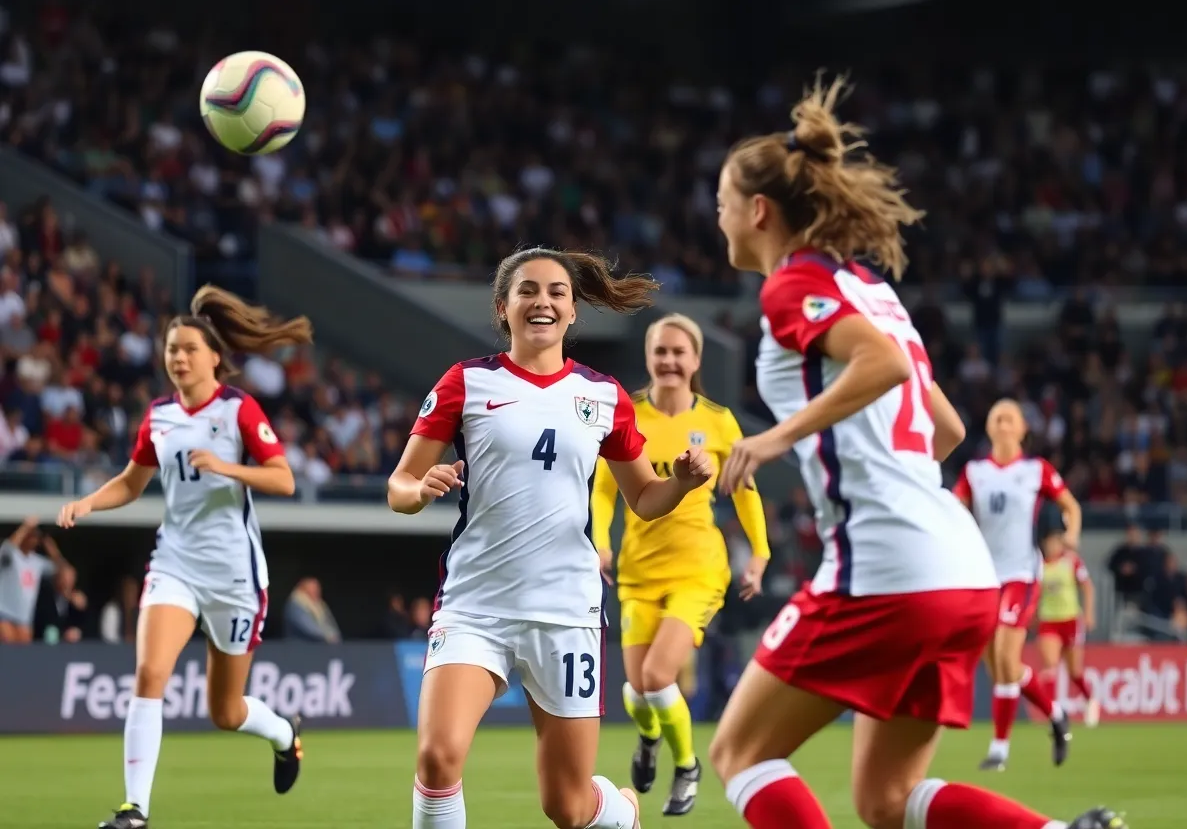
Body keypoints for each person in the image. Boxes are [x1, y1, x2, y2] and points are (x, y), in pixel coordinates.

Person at [706, 76, 1123, 829]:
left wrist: (778, 437)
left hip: (885, 571)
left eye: (723, 203)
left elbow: (883, 368)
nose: (720, 217)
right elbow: (947, 430)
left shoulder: (791, 285)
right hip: (959, 570)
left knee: (739, 754)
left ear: (758, 211)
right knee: (886, 802)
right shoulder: (870, 287)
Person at [388, 247, 713, 829]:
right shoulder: (467, 381)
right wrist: (419, 489)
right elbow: (399, 484)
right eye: (528, 290)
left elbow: (644, 499)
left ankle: (620, 811)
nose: (543, 301)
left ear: (571, 312)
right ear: (503, 307)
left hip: (566, 611)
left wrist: (683, 484)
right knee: (438, 760)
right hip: (475, 606)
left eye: (557, 292)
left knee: (566, 807)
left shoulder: (603, 395)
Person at [56, 286, 313, 829]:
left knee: (226, 712)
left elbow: (285, 479)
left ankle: (285, 736)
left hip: (234, 577)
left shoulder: (238, 409)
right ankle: (135, 810)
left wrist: (229, 469)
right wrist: (87, 502)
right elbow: (131, 483)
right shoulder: (159, 416)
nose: (178, 357)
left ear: (214, 357)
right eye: (171, 348)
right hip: (175, 564)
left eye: (189, 349)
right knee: (149, 673)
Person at [590, 312, 771, 817]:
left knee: (656, 674)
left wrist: (759, 553)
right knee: (636, 689)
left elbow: (746, 492)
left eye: (679, 352)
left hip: (698, 568)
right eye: (660, 351)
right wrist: (600, 542)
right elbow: (605, 489)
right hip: (639, 571)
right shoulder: (627, 415)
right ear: (648, 357)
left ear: (695, 360)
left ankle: (687, 765)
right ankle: (650, 738)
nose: (669, 360)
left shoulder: (716, 421)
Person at [953, 399, 1082, 770]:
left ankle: (999, 751)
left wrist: (1071, 534)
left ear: (1023, 428)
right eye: (997, 417)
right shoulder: (975, 472)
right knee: (999, 667)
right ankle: (1056, 715)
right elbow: (956, 509)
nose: (1003, 423)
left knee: (1007, 658)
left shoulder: (1035, 470)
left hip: (1021, 574)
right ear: (990, 428)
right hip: (983, 576)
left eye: (1010, 418)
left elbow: (1071, 506)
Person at [1036, 501, 1100, 728]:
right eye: (1049, 540)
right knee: (1050, 665)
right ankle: (1053, 711)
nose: (1052, 544)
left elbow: (1087, 587)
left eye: (1055, 539)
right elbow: (1034, 594)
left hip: (1071, 619)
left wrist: (1089, 613)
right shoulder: (1039, 565)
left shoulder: (1071, 561)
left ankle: (1090, 699)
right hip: (1048, 621)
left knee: (1074, 671)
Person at [0, 515, 72, 643]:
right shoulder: (11, 557)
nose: (33, 539)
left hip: (25, 617)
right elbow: (7, 549)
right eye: (31, 536)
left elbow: (63, 569)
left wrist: (50, 545)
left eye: (36, 537)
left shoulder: (38, 562)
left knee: (23, 656)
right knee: (7, 650)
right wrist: (25, 527)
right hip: (5, 613)